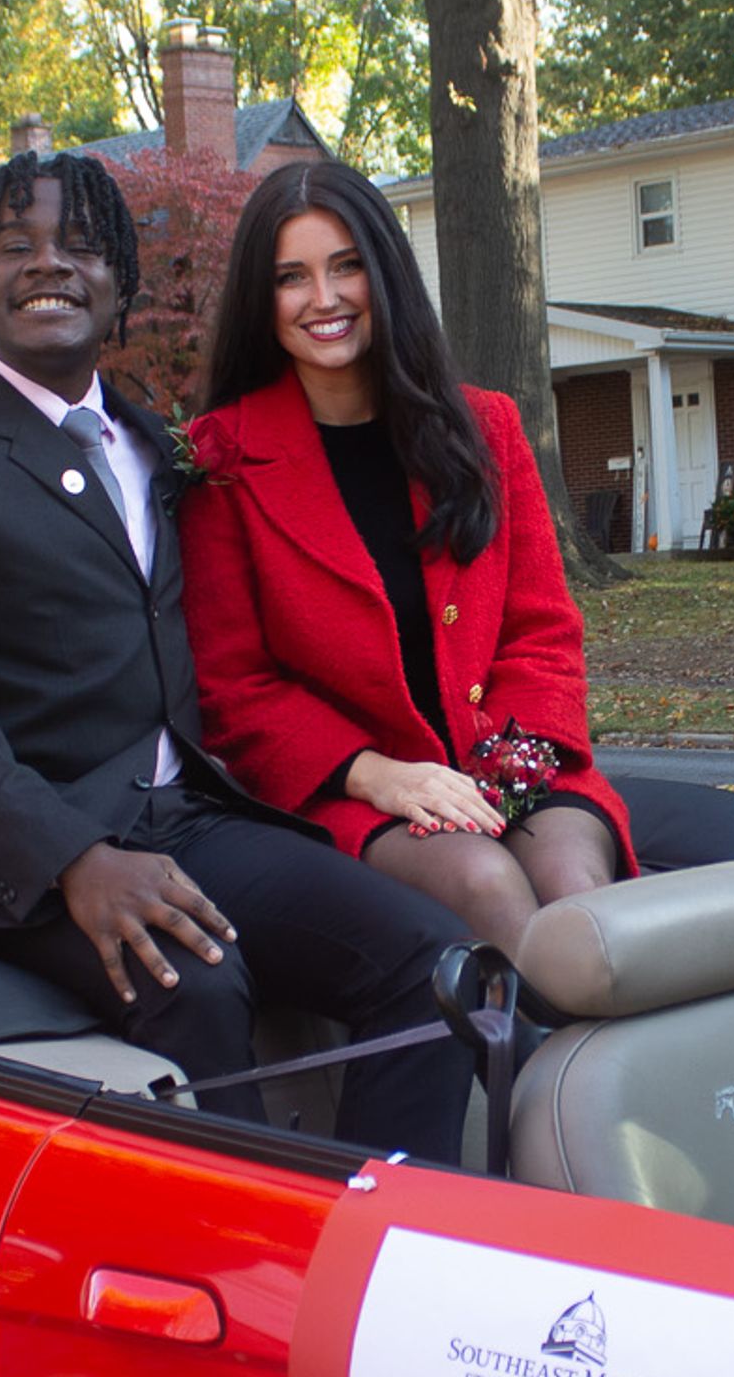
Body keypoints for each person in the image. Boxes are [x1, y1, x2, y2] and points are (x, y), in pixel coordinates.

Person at [0, 149, 474, 1163]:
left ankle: (383, 1248)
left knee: (429, 956)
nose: (50, 266)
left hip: (189, 817)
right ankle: (257, 1282)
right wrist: (73, 863)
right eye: (14, 248)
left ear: (121, 282)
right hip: (20, 859)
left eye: (81, 246)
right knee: (197, 980)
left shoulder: (150, 444)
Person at [178, 163, 631, 954]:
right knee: (486, 883)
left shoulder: (484, 430)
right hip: (352, 790)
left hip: (509, 761)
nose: (324, 298)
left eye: (346, 265)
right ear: (263, 297)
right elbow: (234, 686)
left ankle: (611, 1080)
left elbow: (542, 630)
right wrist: (377, 774)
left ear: (383, 273)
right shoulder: (224, 459)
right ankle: (539, 1079)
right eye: (292, 277)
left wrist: (503, 767)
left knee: (573, 891)